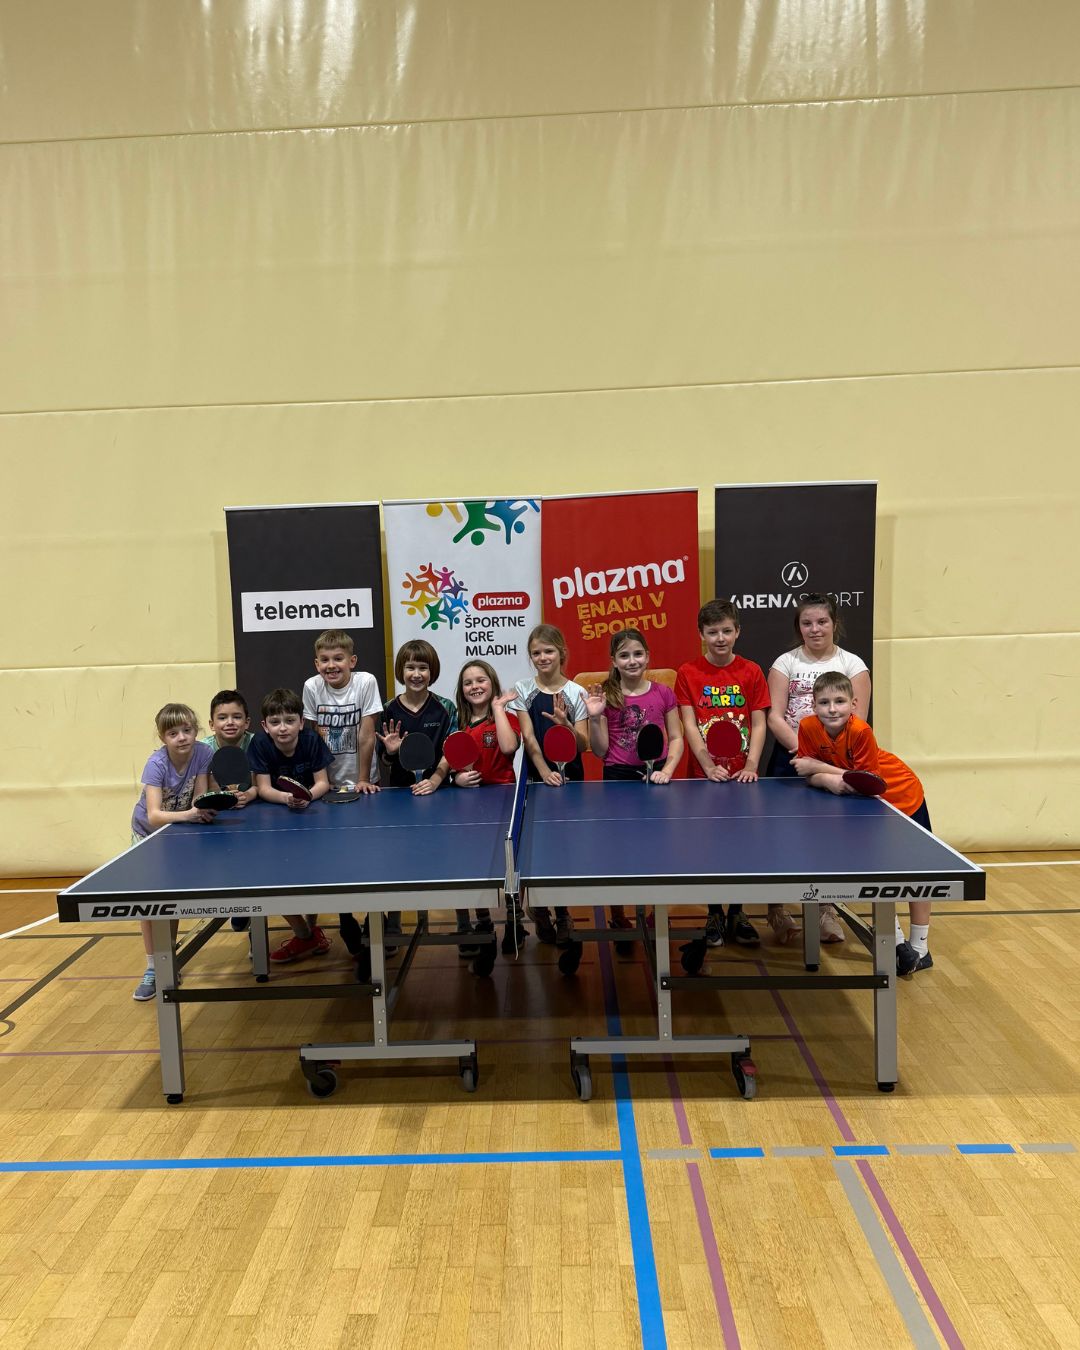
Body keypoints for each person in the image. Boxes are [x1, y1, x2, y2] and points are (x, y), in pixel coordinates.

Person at [793, 672, 934, 975]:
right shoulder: (807, 728)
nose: (832, 708)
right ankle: (898, 943)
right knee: (880, 872)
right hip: (870, 805)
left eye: (840, 701)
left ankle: (921, 947)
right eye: (824, 702)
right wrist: (825, 778)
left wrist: (819, 768)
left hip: (903, 796)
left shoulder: (860, 731)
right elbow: (808, 775)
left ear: (854, 704)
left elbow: (866, 781)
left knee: (917, 872)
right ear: (813, 705)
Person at [766, 594, 871, 946]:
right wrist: (804, 752)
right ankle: (777, 908)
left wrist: (820, 760)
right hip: (790, 759)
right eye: (807, 623)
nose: (815, 629)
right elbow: (774, 716)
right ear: (799, 627)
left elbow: (858, 719)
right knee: (781, 837)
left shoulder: (852, 664)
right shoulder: (785, 662)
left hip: (834, 763)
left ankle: (825, 908)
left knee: (825, 840)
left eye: (822, 622)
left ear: (834, 624)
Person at [675, 599, 769, 950]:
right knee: (710, 848)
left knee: (741, 846)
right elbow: (688, 724)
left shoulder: (751, 671)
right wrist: (706, 765)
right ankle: (714, 912)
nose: (720, 638)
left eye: (726, 631)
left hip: (743, 775)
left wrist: (751, 765)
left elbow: (759, 723)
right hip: (703, 776)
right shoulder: (688, 672)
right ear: (701, 634)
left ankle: (738, 912)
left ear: (737, 632)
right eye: (712, 632)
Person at [585, 628, 684, 955]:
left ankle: (657, 913)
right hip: (617, 778)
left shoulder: (663, 693)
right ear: (613, 661)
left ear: (647, 657)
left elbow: (677, 738)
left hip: (656, 776)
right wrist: (595, 718)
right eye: (624, 655)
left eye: (637, 654)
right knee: (617, 854)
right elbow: (600, 751)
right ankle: (618, 915)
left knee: (657, 852)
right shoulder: (607, 696)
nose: (632, 661)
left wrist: (667, 770)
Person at [415, 661, 520, 958]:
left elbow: (508, 747)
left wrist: (498, 708)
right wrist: (449, 779)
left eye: (481, 680)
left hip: (502, 801)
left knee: (508, 865)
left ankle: (514, 919)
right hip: (469, 806)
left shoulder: (507, 717)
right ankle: (482, 920)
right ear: (462, 690)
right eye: (468, 682)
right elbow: (449, 758)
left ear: (492, 683)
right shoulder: (459, 722)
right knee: (471, 866)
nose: (475, 686)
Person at [302, 629, 384, 953]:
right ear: (316, 663)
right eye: (324, 660)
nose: (331, 665)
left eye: (338, 658)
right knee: (336, 859)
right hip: (328, 786)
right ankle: (345, 916)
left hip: (366, 784)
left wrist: (362, 778)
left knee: (370, 856)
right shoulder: (312, 687)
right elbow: (314, 736)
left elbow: (367, 733)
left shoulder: (365, 682)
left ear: (352, 661)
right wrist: (322, 781)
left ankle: (376, 919)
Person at [509, 624, 589, 949]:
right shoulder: (523, 689)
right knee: (536, 848)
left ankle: (563, 911)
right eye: (536, 653)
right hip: (537, 779)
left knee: (563, 848)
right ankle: (540, 909)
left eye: (548, 651)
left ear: (561, 653)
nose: (542, 657)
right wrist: (543, 771)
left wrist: (566, 724)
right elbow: (528, 737)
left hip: (572, 780)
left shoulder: (576, 692)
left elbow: (583, 744)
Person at [375, 640, 458, 955]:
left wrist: (436, 779)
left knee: (451, 860)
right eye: (410, 667)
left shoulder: (445, 707)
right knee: (397, 862)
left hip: (440, 794)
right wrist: (391, 752)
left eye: (423, 667)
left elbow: (451, 750)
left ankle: (465, 921)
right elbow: (384, 760)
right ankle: (394, 924)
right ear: (401, 671)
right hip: (400, 797)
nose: (416, 673)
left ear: (431, 671)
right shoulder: (388, 709)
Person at [130, 704, 217, 1001]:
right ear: (162, 737)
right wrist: (191, 815)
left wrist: (202, 810)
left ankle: (167, 959)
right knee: (149, 904)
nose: (182, 737)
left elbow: (199, 798)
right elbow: (154, 815)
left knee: (172, 901)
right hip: (148, 835)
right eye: (173, 733)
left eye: (187, 730)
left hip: (177, 832)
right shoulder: (156, 764)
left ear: (196, 731)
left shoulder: (203, 753)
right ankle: (153, 967)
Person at [248, 687, 334, 963]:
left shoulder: (311, 740)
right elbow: (263, 788)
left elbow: (323, 783)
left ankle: (312, 929)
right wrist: (287, 798)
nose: (282, 728)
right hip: (275, 818)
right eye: (275, 722)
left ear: (301, 722)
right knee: (272, 877)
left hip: (312, 814)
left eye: (289, 720)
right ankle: (304, 934)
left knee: (314, 873)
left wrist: (306, 796)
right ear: (265, 726)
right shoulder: (260, 744)